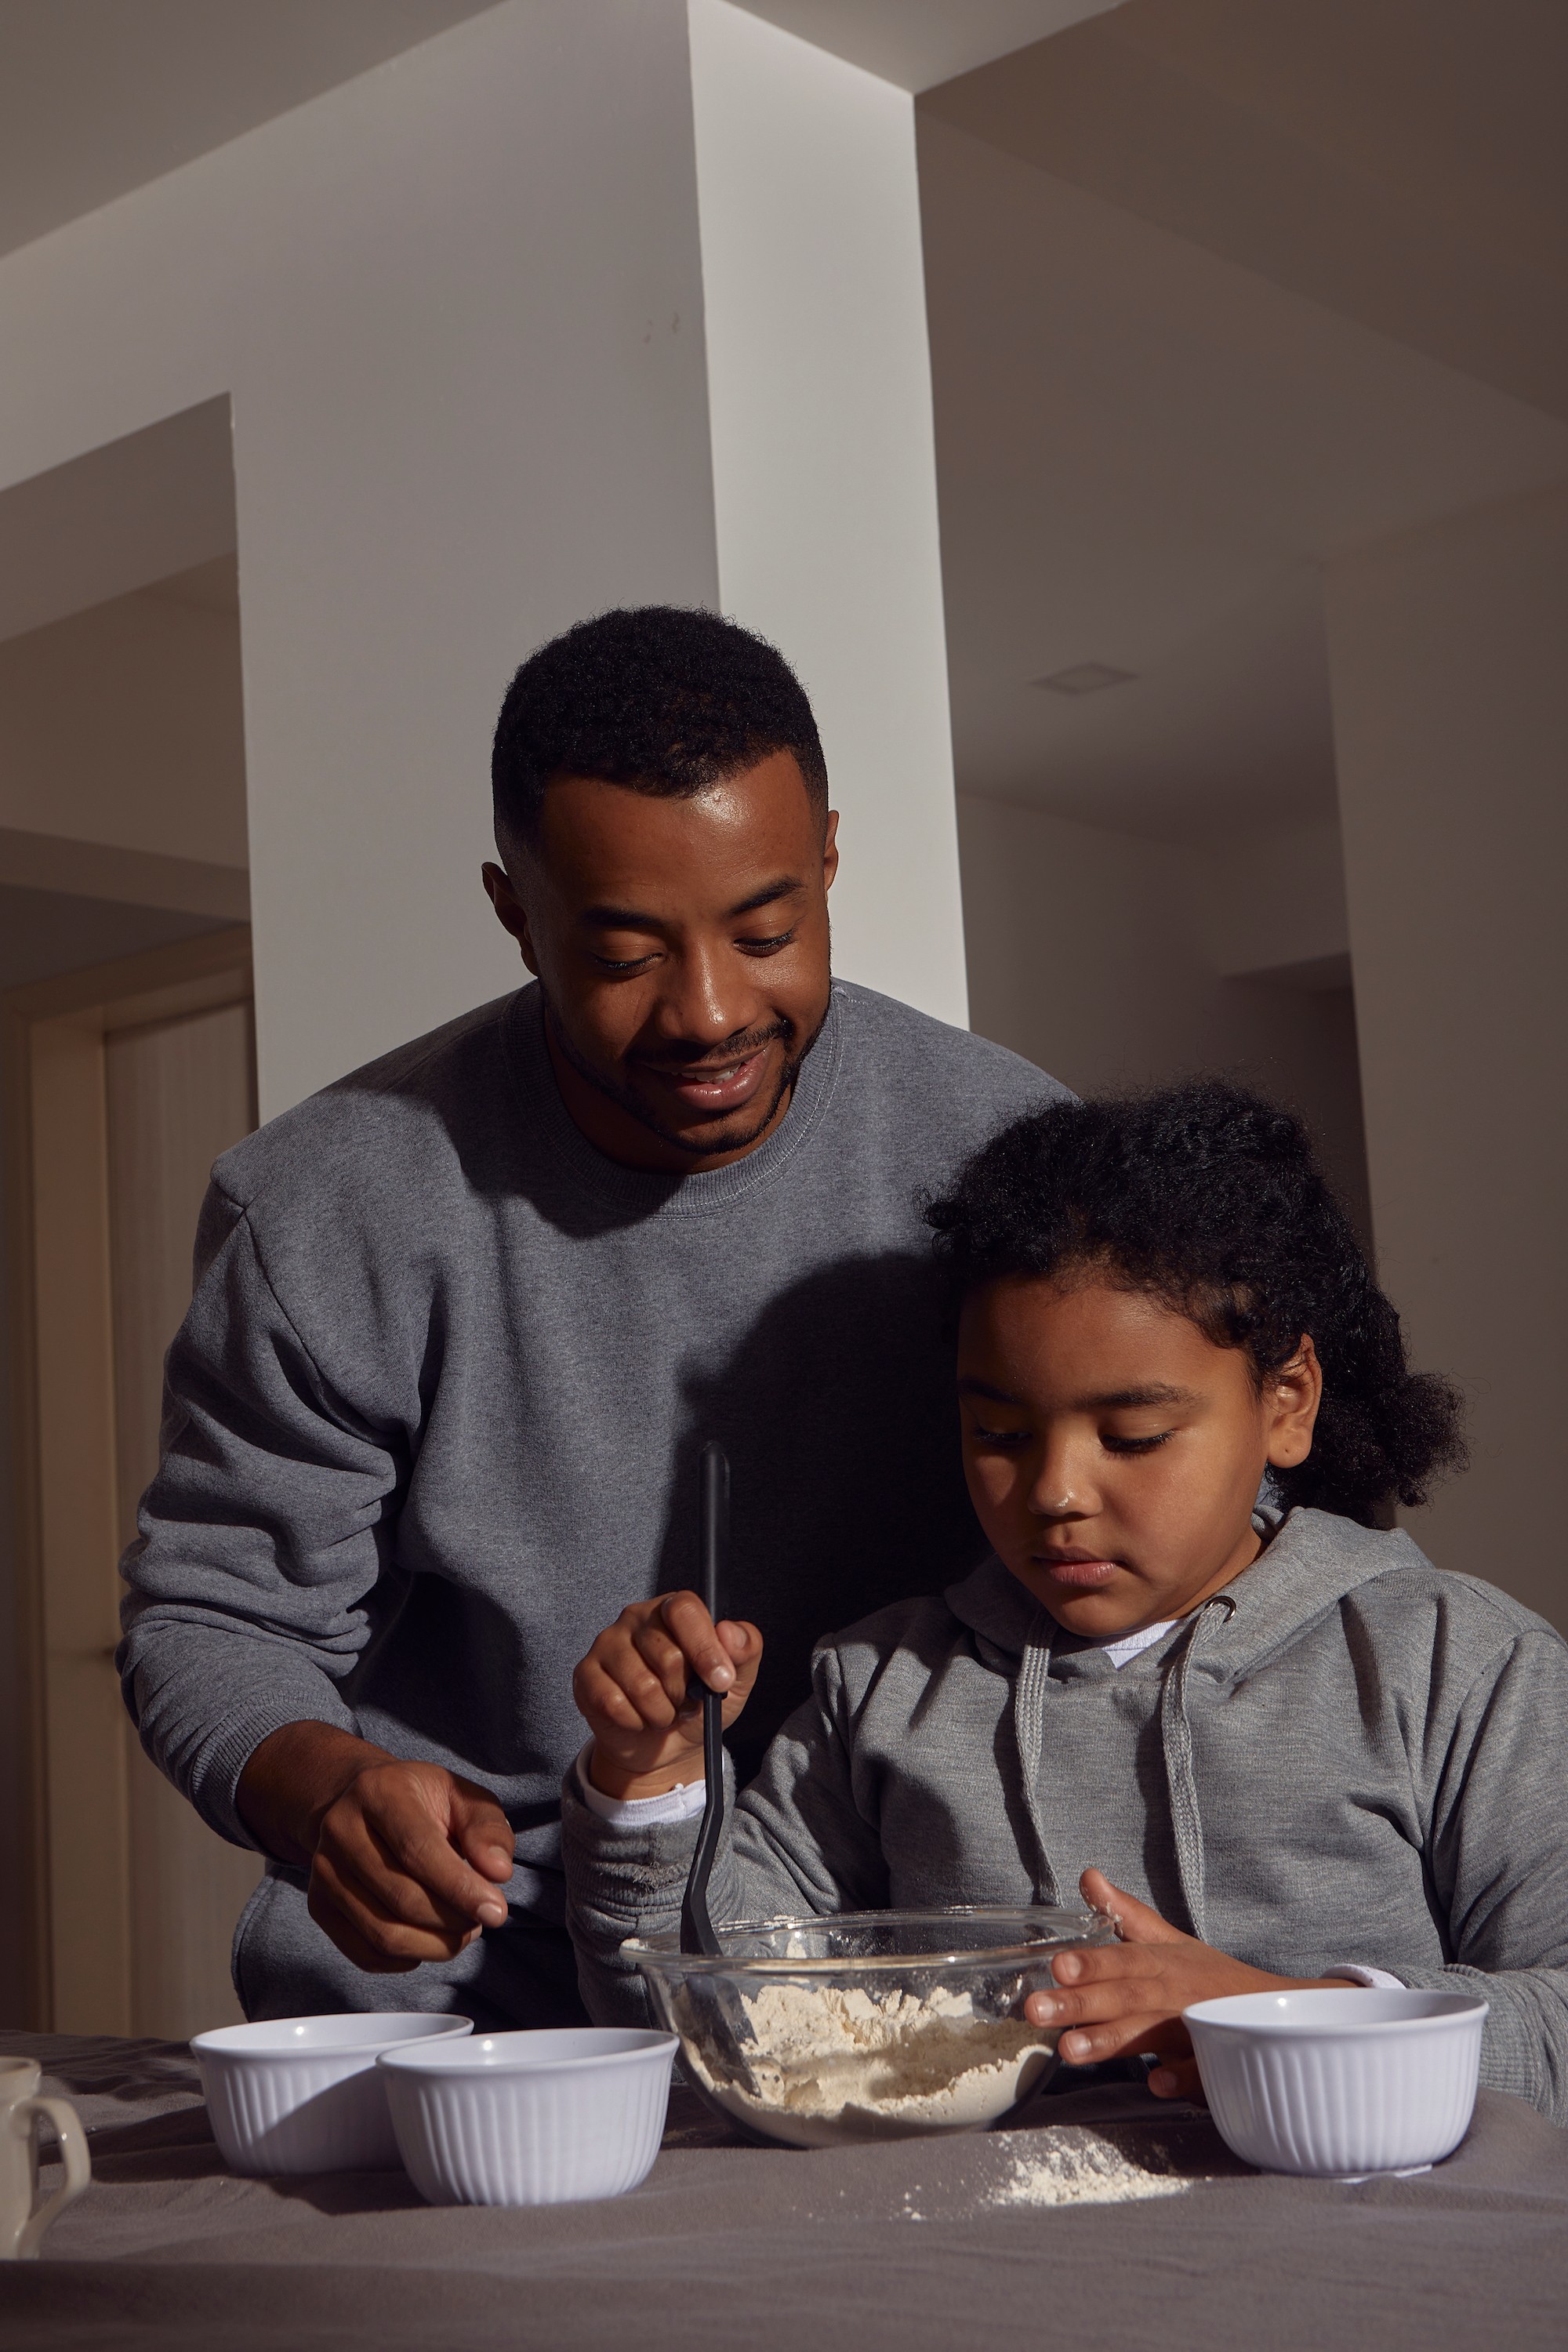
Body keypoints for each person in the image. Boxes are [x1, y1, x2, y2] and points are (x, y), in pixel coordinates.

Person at [118, 605, 1065, 2028]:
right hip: (470, 1992)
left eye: (767, 930)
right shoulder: (326, 1210)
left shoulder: (1006, 1149)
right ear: (515, 912)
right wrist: (322, 1791)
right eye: (625, 954)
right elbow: (212, 1612)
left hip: (899, 1974)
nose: (706, 1011)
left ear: (828, 864)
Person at [564, 1080, 1568, 2122]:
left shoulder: (1457, 1669)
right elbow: (713, 2047)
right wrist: (654, 1784)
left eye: (1133, 1438)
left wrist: (1282, 2018)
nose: (1054, 1492)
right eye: (999, 1433)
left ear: (1287, 1403)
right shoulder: (878, 1694)